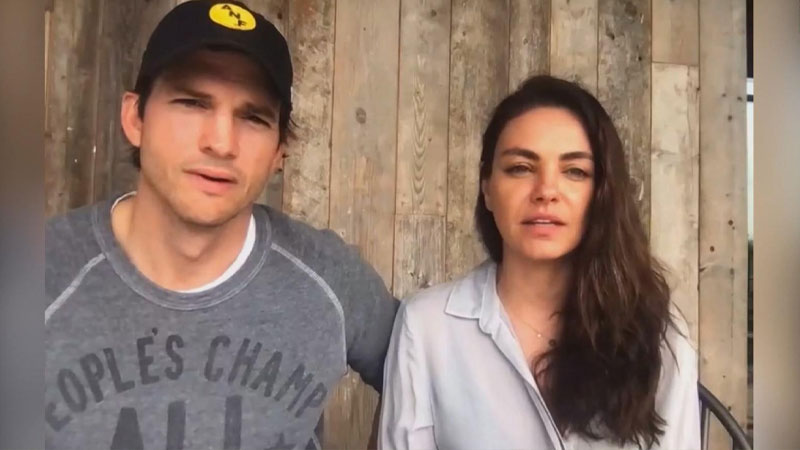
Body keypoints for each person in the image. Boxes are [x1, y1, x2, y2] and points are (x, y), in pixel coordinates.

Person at [45, 1, 398, 448]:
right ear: (135, 119)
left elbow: (439, 370)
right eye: (192, 103)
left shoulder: (330, 279)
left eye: (253, 117)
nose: (221, 142)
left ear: (279, 152)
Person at [379, 75, 701, 450]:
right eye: (521, 167)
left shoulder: (660, 334)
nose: (546, 191)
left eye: (575, 171)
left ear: (603, 193)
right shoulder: (427, 326)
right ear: (487, 188)